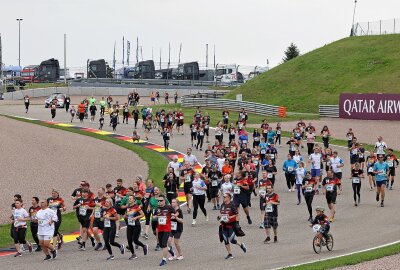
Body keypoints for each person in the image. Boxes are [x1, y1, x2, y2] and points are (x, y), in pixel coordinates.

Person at [219, 193, 247, 259]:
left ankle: (241, 245)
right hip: (224, 225)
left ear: (229, 197)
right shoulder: (222, 205)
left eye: (225, 197)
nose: (224, 198)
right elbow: (222, 213)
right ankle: (230, 254)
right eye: (223, 197)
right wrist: (220, 217)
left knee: (232, 240)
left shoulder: (232, 205)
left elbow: (236, 214)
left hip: (231, 225)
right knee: (225, 239)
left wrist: (230, 217)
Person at [124, 195, 148, 259]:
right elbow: (127, 214)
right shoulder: (128, 207)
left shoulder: (136, 207)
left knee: (135, 240)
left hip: (136, 225)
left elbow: (142, 214)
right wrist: (125, 216)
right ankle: (133, 254)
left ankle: (144, 246)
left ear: (134, 200)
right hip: (129, 225)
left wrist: (136, 217)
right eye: (128, 198)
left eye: (130, 198)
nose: (129, 199)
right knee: (129, 240)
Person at [155, 195, 175, 266]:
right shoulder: (157, 208)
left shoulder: (168, 207)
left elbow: (173, 213)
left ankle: (164, 260)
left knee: (163, 244)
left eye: (161, 200)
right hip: (160, 229)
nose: (159, 202)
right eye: (158, 201)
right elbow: (154, 216)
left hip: (167, 228)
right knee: (161, 245)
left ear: (164, 200)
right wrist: (157, 217)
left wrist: (172, 215)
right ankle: (169, 249)